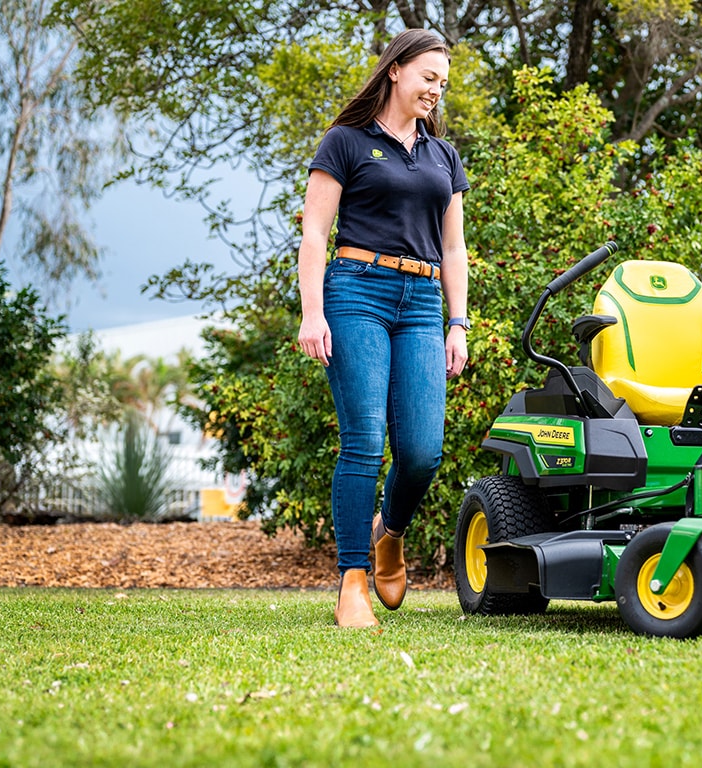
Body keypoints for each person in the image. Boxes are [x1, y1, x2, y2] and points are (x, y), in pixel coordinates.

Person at [296, 28, 470, 627]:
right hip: (356, 291)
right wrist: (312, 311)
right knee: (365, 441)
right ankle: (352, 582)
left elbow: (454, 248)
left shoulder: (443, 156)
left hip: (422, 300)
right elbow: (315, 233)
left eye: (442, 82)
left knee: (422, 452)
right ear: (395, 70)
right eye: (428, 77)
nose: (436, 90)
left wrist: (457, 322)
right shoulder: (347, 141)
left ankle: (388, 531)